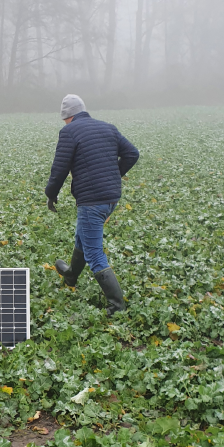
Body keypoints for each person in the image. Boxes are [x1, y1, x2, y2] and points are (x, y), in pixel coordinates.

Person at [45, 94, 140, 313]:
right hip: (112, 198)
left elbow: (59, 168)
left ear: (68, 117)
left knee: (94, 252)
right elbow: (132, 154)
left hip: (92, 201)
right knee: (83, 235)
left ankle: (117, 306)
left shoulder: (69, 132)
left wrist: (51, 193)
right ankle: (70, 275)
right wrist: (114, 176)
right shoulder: (108, 128)